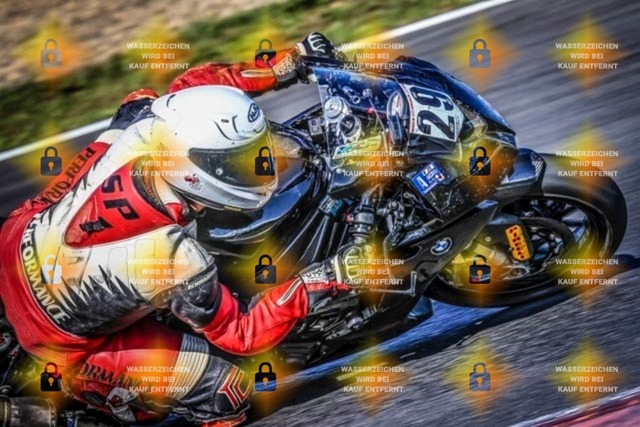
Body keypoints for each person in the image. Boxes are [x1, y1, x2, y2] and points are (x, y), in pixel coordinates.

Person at [0, 33, 353, 426]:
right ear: (200, 173)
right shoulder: (175, 259)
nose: (262, 162)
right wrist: (322, 279)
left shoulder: (145, 122)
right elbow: (243, 333)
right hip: (61, 341)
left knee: (135, 106)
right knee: (228, 393)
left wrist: (282, 66)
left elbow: (194, 88)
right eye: (240, 160)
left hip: (16, 238)